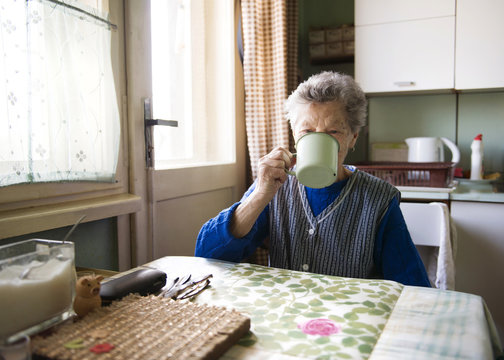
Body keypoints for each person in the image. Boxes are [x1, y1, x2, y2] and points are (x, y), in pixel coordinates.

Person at [195, 71, 430, 287]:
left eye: (333, 132)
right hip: (287, 314)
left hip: (349, 319)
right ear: (295, 136)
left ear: (353, 138)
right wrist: (259, 195)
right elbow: (208, 254)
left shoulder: (379, 199)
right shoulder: (274, 186)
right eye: (307, 131)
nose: (319, 139)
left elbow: (412, 284)